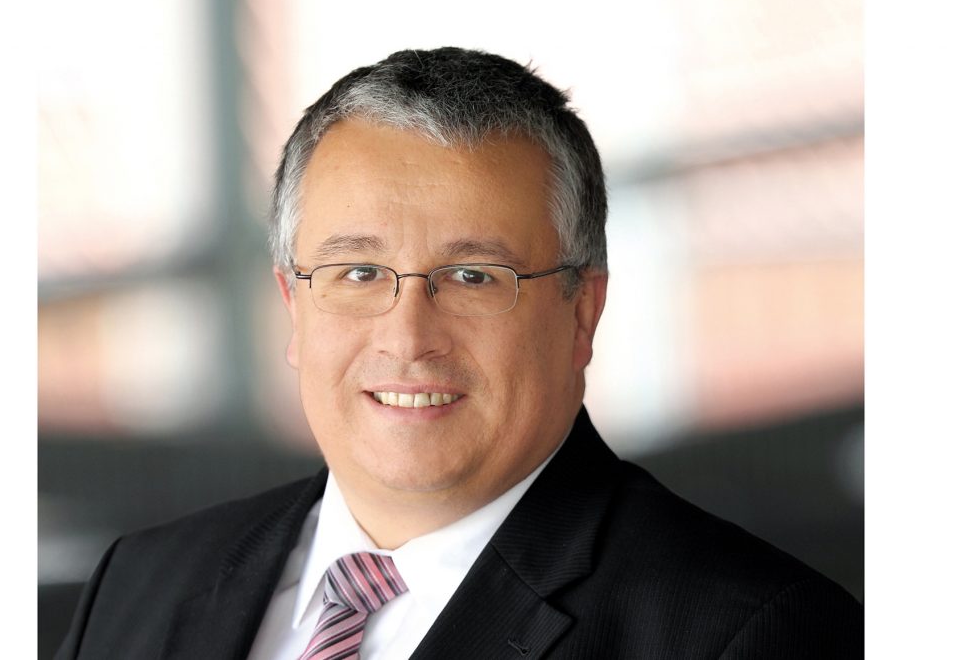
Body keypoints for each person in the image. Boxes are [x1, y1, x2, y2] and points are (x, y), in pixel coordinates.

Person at [56, 47, 862, 659]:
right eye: (358, 272)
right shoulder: (139, 583)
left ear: (583, 311)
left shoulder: (751, 634)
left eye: (474, 276)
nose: (408, 335)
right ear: (293, 303)